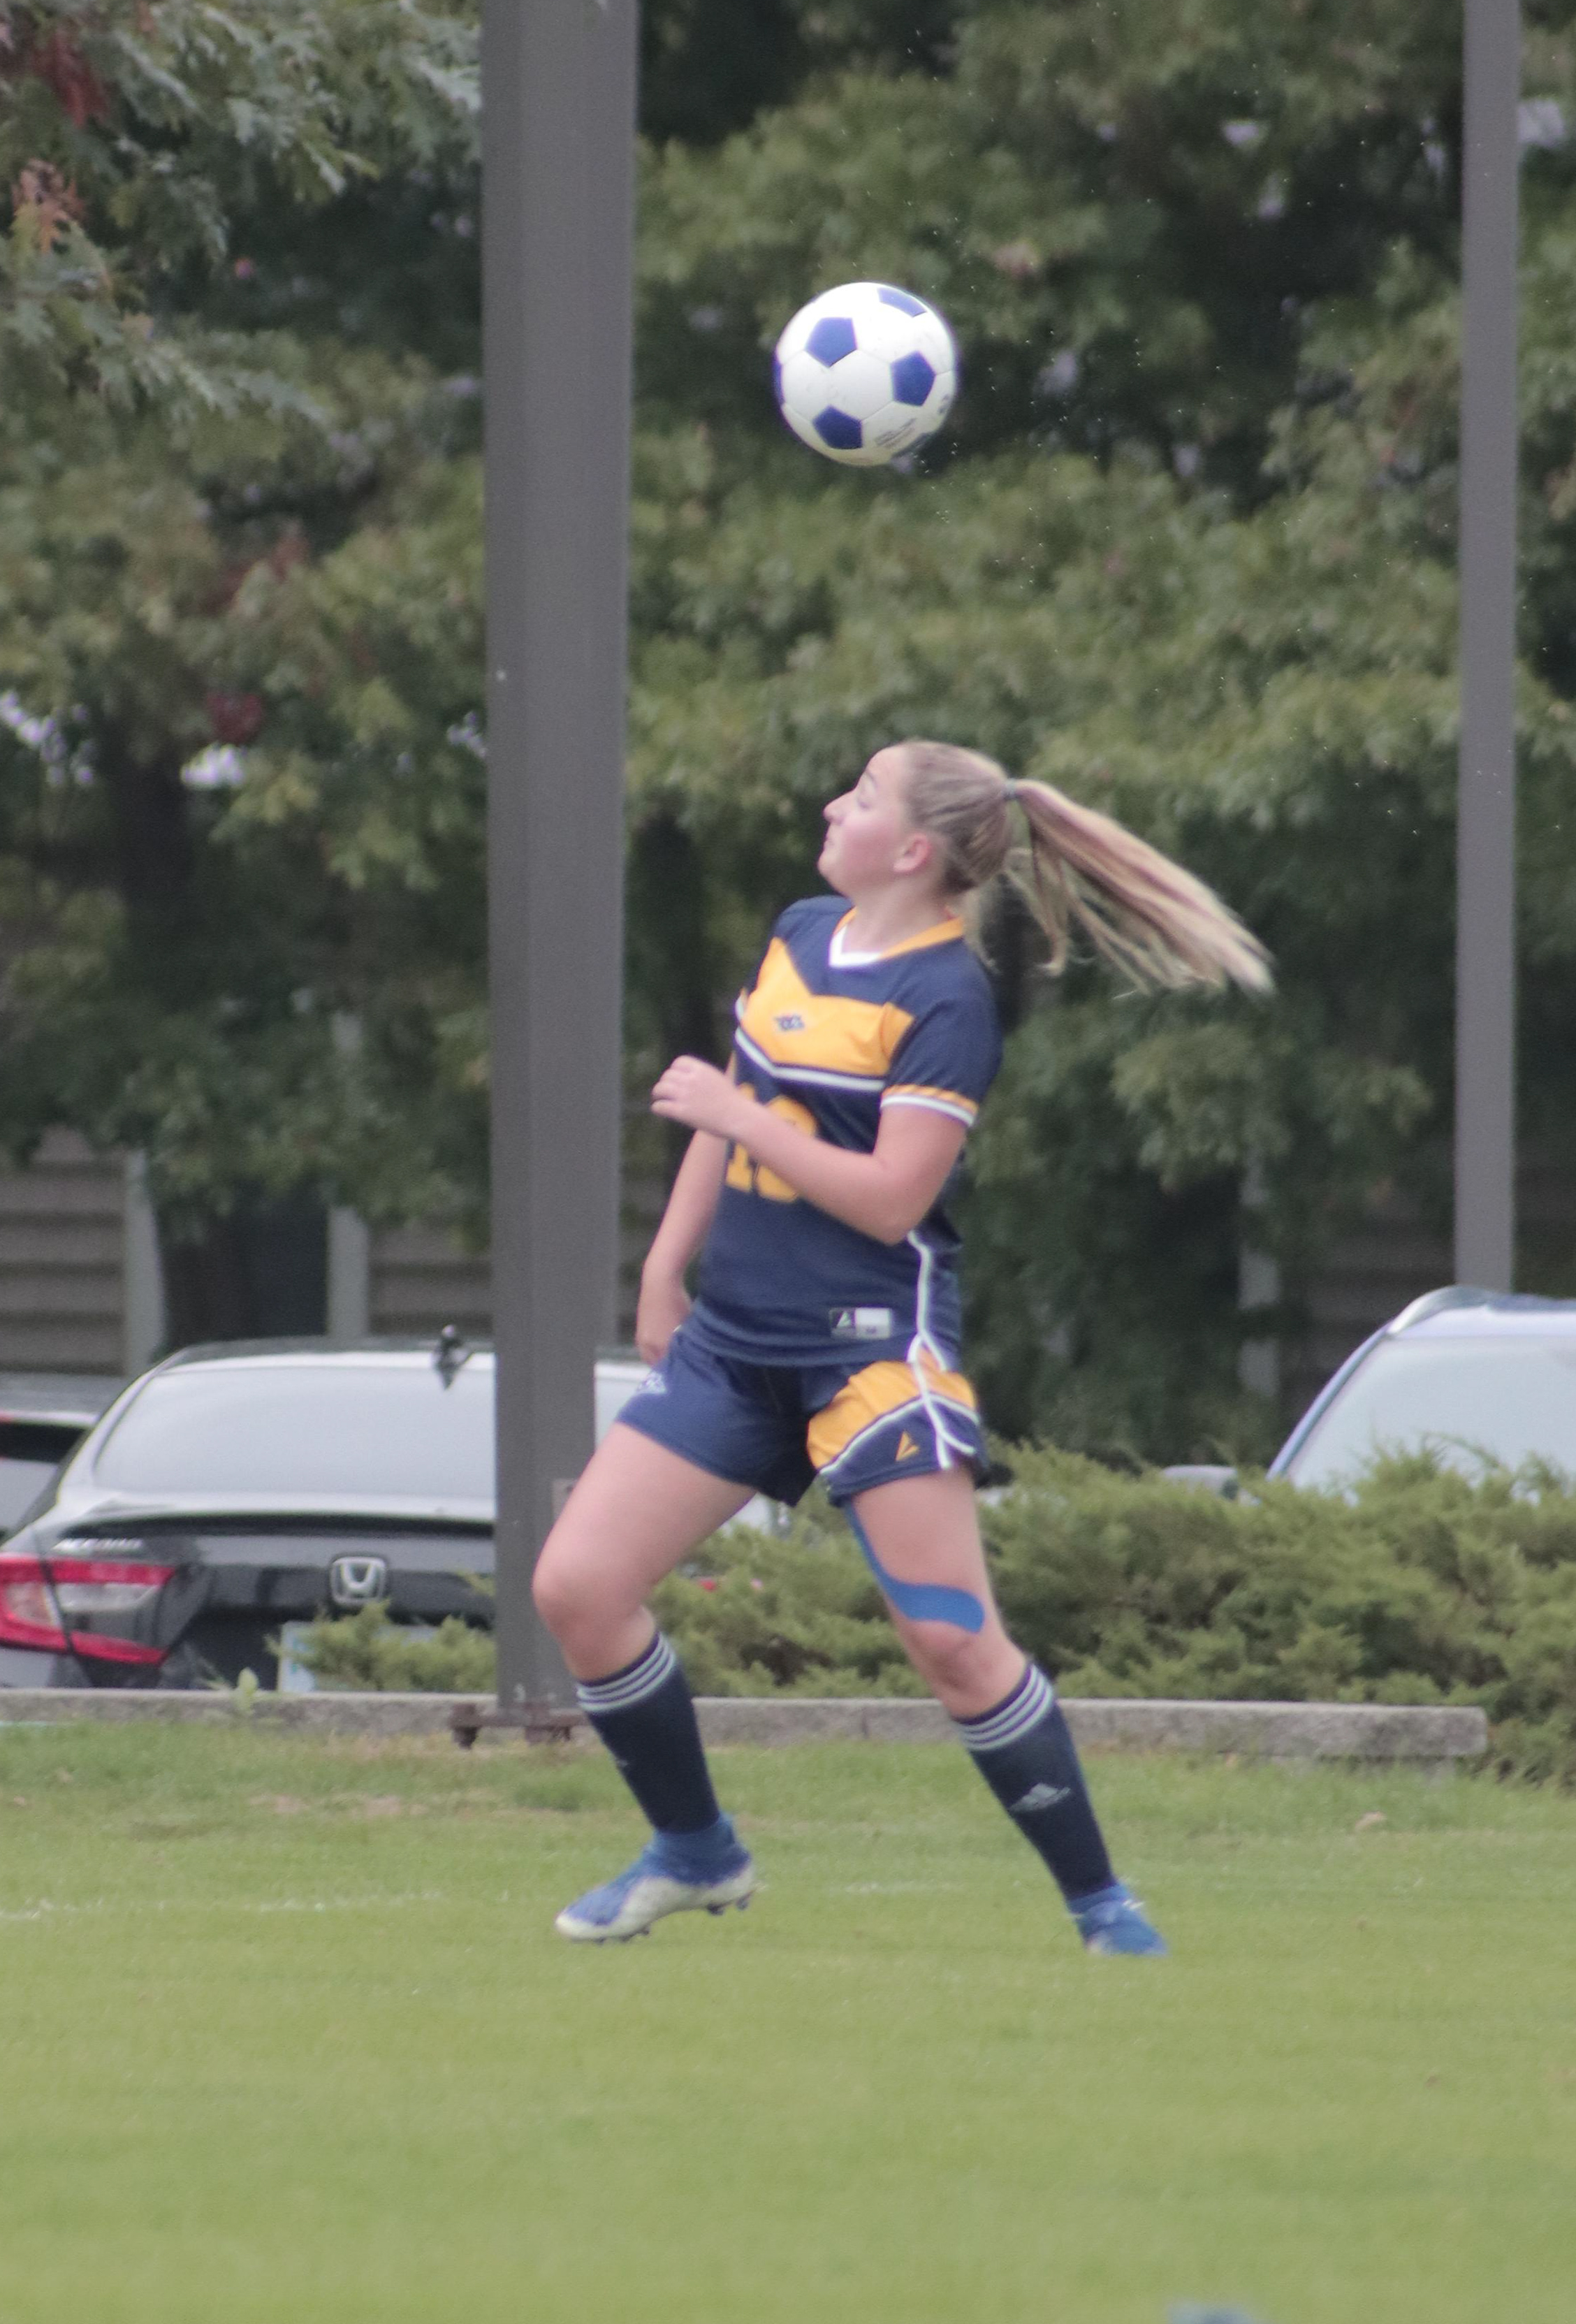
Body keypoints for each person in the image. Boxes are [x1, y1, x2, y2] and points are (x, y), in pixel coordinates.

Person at [533, 741, 1271, 1951]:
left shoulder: (948, 998)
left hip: (871, 1357)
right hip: (734, 1346)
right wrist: (666, 1267)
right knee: (576, 1589)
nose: (834, 805)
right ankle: (697, 1852)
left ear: (915, 850)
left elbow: (889, 1200)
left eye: (863, 796)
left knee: (951, 1643)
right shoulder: (801, 931)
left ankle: (1105, 1909)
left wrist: (732, 1114)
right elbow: (740, 1101)